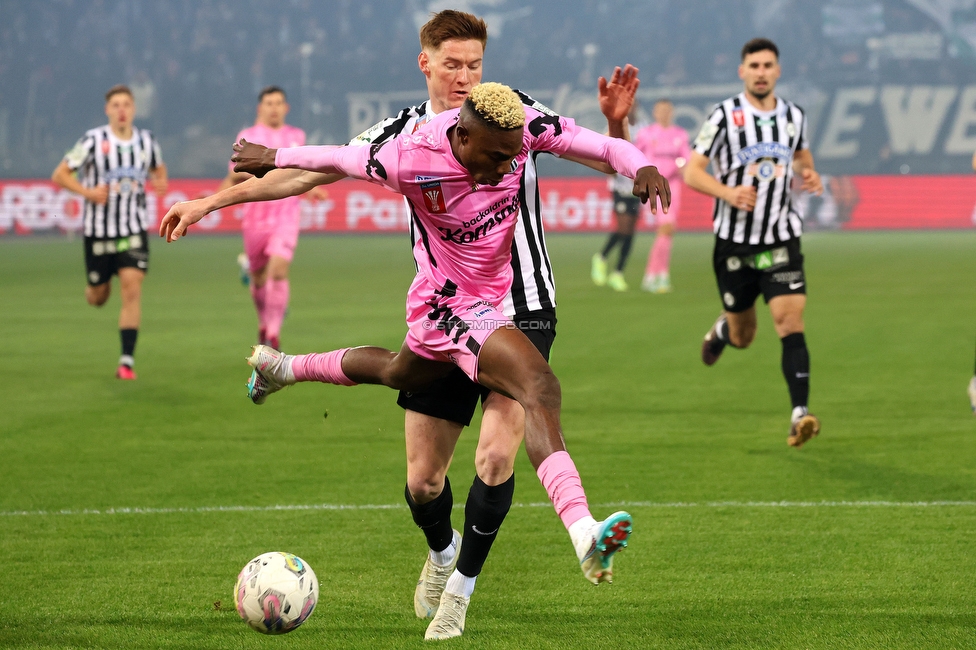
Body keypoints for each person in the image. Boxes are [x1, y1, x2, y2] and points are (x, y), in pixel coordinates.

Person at [157, 11, 644, 641]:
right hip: (446, 306)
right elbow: (310, 170)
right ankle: (442, 555)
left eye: (474, 64)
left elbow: (604, 158)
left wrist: (614, 125)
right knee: (424, 481)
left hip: (525, 304)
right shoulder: (403, 139)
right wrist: (208, 202)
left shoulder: (511, 113)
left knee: (497, 455)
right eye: (453, 65)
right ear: (426, 64)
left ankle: (464, 592)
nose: (466, 77)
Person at [684, 38, 823, 448]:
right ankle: (725, 330)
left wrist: (809, 174)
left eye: (768, 65)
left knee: (790, 321)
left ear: (778, 71)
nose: (761, 71)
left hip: (781, 238)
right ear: (742, 71)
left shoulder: (794, 116)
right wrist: (728, 193)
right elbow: (693, 172)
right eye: (754, 65)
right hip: (734, 244)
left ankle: (800, 412)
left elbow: (801, 157)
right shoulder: (724, 116)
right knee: (745, 335)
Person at [51, 84, 167, 380]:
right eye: (115, 105)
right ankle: (98, 284)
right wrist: (87, 192)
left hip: (133, 230)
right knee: (98, 297)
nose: (121, 110)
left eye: (126, 104)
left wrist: (160, 183)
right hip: (98, 233)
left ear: (134, 109)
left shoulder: (147, 141)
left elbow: (158, 168)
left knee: (132, 289)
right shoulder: (91, 140)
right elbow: (60, 174)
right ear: (107, 110)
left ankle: (126, 362)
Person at [220, 86, 310, 349]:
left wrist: (313, 190)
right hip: (256, 216)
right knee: (258, 278)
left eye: (279, 102)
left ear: (286, 108)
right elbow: (235, 173)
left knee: (279, 271)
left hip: (286, 215)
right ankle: (263, 322)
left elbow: (304, 172)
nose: (274, 107)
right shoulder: (248, 137)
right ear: (260, 108)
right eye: (269, 103)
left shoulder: (296, 136)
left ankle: (273, 335)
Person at [636, 99, 691, 293]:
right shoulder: (647, 134)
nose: (664, 113)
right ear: (654, 112)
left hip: (673, 186)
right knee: (666, 227)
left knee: (668, 230)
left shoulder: (680, 135)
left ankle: (655, 275)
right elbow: (635, 156)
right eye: (660, 110)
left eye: (667, 110)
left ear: (672, 112)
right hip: (654, 186)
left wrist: (682, 168)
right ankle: (656, 274)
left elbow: (687, 159)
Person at [591, 101, 644, 291]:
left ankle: (618, 273)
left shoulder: (643, 128)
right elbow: (605, 153)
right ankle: (602, 257)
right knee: (623, 228)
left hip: (636, 186)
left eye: (634, 106)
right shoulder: (613, 127)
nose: (631, 109)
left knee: (630, 231)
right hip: (620, 186)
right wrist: (611, 173)